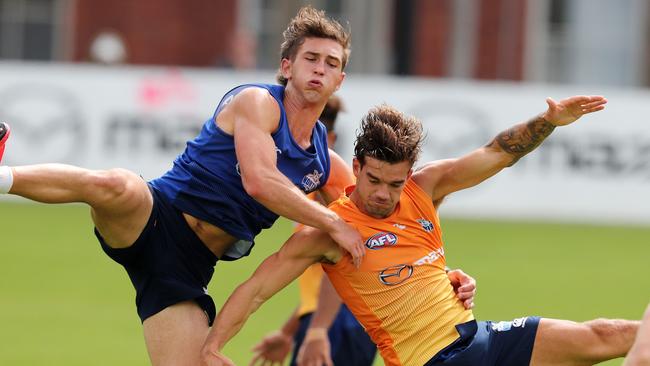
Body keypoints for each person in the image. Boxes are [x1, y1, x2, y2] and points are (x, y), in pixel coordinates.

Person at [0, 6, 367, 366]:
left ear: (340, 80)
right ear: (287, 67)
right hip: (157, 216)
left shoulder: (325, 165)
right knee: (117, 185)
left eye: (332, 63)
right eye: (311, 58)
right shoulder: (258, 102)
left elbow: (364, 227)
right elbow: (260, 182)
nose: (320, 68)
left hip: (186, 270)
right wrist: (333, 222)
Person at [200, 95, 643, 366]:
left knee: (611, 336)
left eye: (395, 183)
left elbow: (497, 152)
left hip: (481, 338)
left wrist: (548, 121)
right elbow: (256, 289)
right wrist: (213, 346)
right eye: (373, 181)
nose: (382, 195)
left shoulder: (424, 188)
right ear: (356, 168)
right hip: (431, 361)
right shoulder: (326, 233)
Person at [249, 96, 477, 366]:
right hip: (333, 319)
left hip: (344, 322)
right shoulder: (308, 195)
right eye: (286, 139)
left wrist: (318, 329)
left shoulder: (337, 195)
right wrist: (291, 331)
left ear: (329, 142)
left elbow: (349, 262)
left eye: (302, 140)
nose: (292, 150)